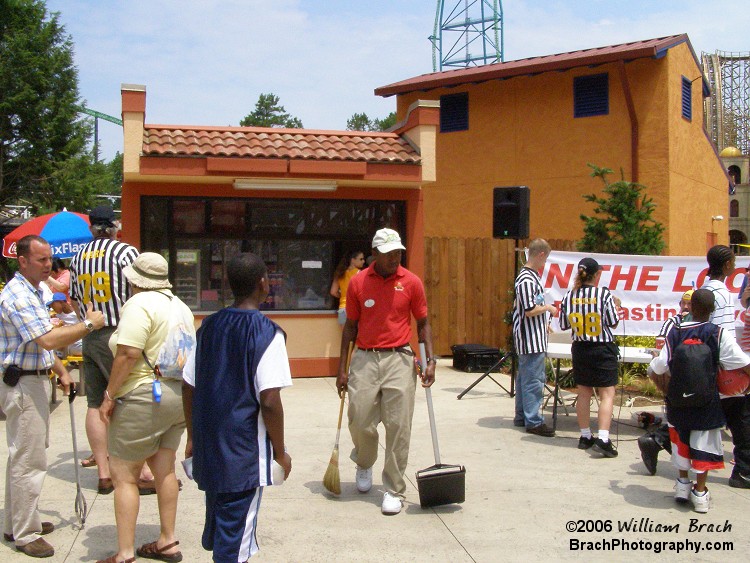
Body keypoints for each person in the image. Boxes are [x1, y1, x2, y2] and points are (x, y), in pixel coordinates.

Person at [182, 252, 292, 562]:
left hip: (211, 449)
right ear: (263, 284)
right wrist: (280, 453)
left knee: (222, 531)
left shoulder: (208, 327)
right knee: (234, 545)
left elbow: (188, 385)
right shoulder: (268, 334)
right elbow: (270, 401)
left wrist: (192, 436)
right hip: (243, 457)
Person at [0, 235, 105, 558]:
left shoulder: (35, 292)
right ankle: (25, 532)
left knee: (26, 455)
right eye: (42, 260)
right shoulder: (17, 295)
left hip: (34, 379)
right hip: (22, 386)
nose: (49, 265)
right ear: (23, 260)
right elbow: (46, 339)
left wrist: (60, 371)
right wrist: (88, 324)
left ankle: (16, 521)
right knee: (29, 460)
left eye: (49, 259)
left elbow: (35, 344)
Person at [96, 253, 193, 563]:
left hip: (142, 395)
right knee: (164, 468)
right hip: (177, 395)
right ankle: (168, 540)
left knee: (124, 475)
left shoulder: (139, 305)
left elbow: (127, 353)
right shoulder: (180, 306)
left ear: (135, 280)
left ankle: (125, 553)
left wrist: (109, 395)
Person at [336, 227, 436, 515]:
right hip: (365, 359)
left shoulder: (412, 282)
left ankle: (394, 488)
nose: (395, 257)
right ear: (375, 253)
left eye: (398, 252)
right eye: (389, 253)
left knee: (398, 425)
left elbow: (424, 322)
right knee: (360, 419)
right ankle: (364, 462)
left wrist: (430, 360)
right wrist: (342, 369)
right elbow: (350, 328)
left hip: (400, 359)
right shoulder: (358, 283)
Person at [69, 205, 154, 492]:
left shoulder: (78, 257)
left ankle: (104, 473)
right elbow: (142, 287)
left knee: (94, 403)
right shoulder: (125, 252)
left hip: (90, 334)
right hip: (120, 333)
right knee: (130, 400)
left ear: (91, 227)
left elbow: (73, 299)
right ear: (114, 226)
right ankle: (141, 471)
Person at [648, 288, 750, 513]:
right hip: (707, 402)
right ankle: (700, 493)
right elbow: (742, 362)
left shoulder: (675, 332)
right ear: (713, 310)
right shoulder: (717, 333)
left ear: (691, 307)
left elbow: (659, 366)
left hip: (677, 401)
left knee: (681, 443)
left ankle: (682, 486)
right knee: (704, 445)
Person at [559, 257, 622, 458]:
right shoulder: (603, 295)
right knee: (607, 393)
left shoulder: (570, 295)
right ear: (597, 274)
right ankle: (603, 439)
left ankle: (585, 436)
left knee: (584, 393)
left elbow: (563, 324)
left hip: (580, 348)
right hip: (602, 347)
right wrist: (616, 309)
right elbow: (612, 322)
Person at [702, 245, 750, 489]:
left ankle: (657, 440)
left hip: (706, 367)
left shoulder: (705, 289)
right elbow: (722, 336)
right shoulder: (722, 294)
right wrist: (744, 365)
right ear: (728, 265)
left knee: (706, 419)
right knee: (742, 422)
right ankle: (743, 471)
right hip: (724, 370)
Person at [638, 289, 693, 475]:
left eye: (690, 303)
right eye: (683, 303)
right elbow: (660, 350)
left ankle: (658, 441)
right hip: (676, 376)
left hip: (690, 378)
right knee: (691, 416)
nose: (685, 307)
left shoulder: (700, 323)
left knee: (685, 417)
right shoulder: (673, 322)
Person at [511, 238, 557, 437]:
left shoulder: (529, 277)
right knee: (533, 380)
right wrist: (548, 308)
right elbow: (529, 309)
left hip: (532, 335)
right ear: (540, 255)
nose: (545, 263)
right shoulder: (527, 279)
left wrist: (544, 322)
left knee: (525, 378)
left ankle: (522, 415)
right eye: (545, 259)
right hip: (530, 339)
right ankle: (533, 420)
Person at [330, 250, 365, 325]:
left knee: (345, 335)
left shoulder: (339, 273)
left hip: (342, 308)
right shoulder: (360, 274)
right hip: (355, 309)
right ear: (353, 260)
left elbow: (333, 292)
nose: (363, 261)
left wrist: (343, 295)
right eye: (361, 259)